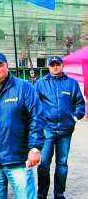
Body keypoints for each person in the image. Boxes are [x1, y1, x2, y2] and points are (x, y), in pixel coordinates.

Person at [0, 51, 45, 199]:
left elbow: (36, 118)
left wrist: (35, 148)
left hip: (18, 161)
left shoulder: (24, 88)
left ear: (7, 66)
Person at [35, 56, 85, 199]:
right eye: (53, 65)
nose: (55, 67)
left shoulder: (71, 83)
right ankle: (42, 194)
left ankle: (59, 193)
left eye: (58, 64)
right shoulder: (40, 84)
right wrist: (38, 122)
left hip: (65, 130)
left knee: (62, 163)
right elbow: (34, 105)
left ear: (63, 66)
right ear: (48, 67)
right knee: (44, 163)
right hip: (47, 129)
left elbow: (80, 103)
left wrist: (75, 116)